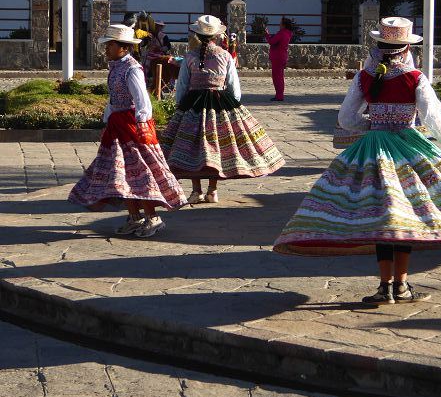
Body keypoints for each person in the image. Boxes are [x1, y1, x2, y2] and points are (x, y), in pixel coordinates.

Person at [274, 17, 441, 305]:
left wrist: (373, 125)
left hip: (373, 150)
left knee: (383, 217)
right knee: (406, 217)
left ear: (379, 46)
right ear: (406, 48)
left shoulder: (365, 77)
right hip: (410, 149)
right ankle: (401, 285)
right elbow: (434, 119)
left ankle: (384, 286)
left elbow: (347, 118)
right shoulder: (415, 78)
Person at [69, 24, 187, 237]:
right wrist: (107, 120)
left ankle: (153, 217)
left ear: (123, 47)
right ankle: (134, 217)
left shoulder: (132, 69)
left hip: (131, 127)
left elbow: (142, 101)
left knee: (140, 172)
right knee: (121, 174)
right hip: (117, 126)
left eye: (110, 45)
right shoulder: (116, 67)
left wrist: (142, 125)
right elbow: (113, 99)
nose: (106, 49)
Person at [161, 14, 285, 204]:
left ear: (197, 34)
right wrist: (232, 104)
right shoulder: (225, 55)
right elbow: (234, 88)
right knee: (215, 147)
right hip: (219, 104)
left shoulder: (190, 56)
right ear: (216, 35)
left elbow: (183, 86)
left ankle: (196, 190)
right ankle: (212, 190)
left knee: (192, 147)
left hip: (193, 105)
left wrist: (181, 105)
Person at [265, 17, 293, 101]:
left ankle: (279, 96)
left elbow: (272, 42)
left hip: (277, 57)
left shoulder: (281, 33)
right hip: (282, 56)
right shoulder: (288, 33)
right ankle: (279, 95)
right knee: (280, 77)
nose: (279, 25)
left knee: (277, 77)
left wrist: (267, 34)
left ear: (284, 25)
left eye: (280, 23)